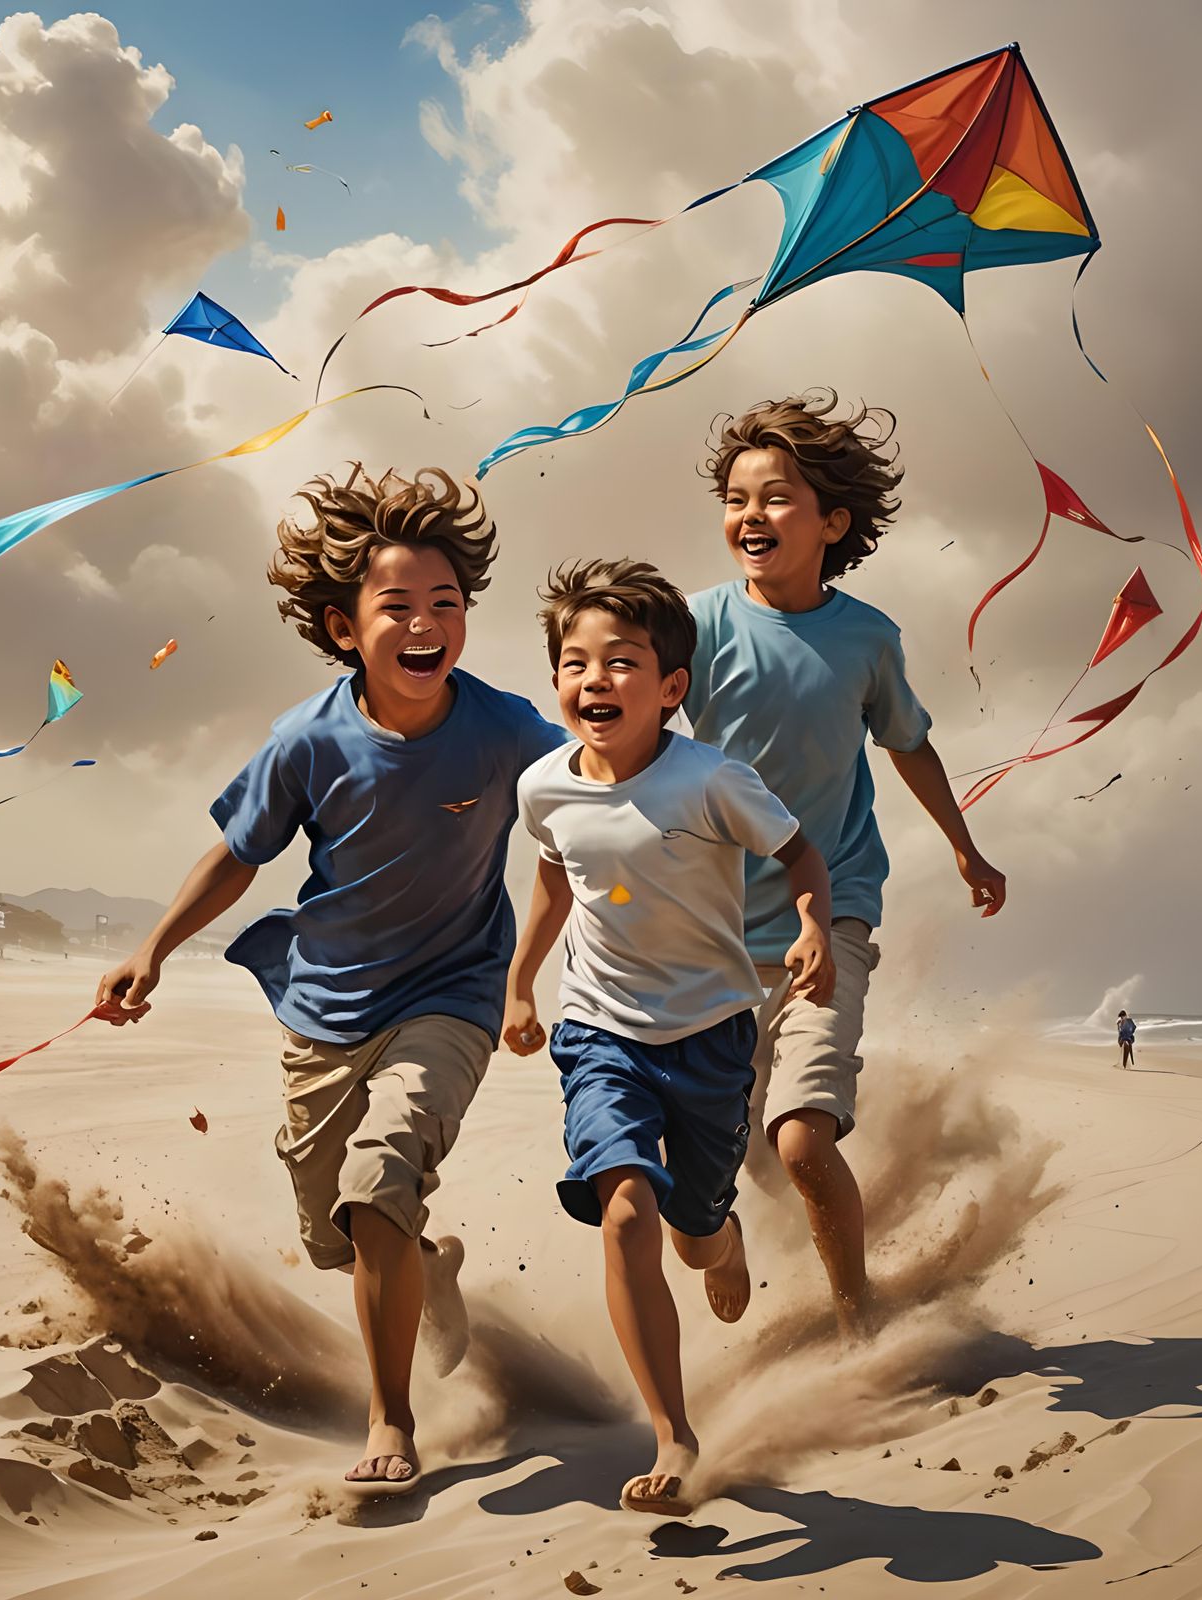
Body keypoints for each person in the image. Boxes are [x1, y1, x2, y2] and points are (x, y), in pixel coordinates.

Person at [96, 465, 560, 1497]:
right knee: (337, 1235)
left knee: (378, 1182)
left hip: (453, 998)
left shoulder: (504, 729)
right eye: (398, 605)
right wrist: (152, 947)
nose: (426, 623)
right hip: (325, 1010)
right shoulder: (306, 740)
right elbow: (237, 854)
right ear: (346, 628)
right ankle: (425, 1271)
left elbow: (595, 782)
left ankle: (391, 1417)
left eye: (447, 602)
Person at [504, 559, 834, 1517]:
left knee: (690, 1235)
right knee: (623, 1211)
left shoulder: (712, 779)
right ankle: (673, 1434)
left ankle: (721, 1241)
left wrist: (813, 926)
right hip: (599, 1031)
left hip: (711, 1037)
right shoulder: (543, 788)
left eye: (621, 661)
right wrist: (521, 983)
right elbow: (556, 876)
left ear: (671, 686)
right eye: (575, 663)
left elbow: (799, 853)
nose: (594, 680)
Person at [684, 391, 1007, 1339]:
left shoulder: (867, 638)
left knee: (801, 1139)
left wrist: (965, 847)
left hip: (833, 915)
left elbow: (908, 744)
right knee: (737, 1152)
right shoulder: (693, 626)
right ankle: (737, 1239)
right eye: (736, 499)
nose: (751, 514)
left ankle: (858, 1324)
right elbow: (628, 734)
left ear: (832, 522)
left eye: (776, 497)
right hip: (708, 933)